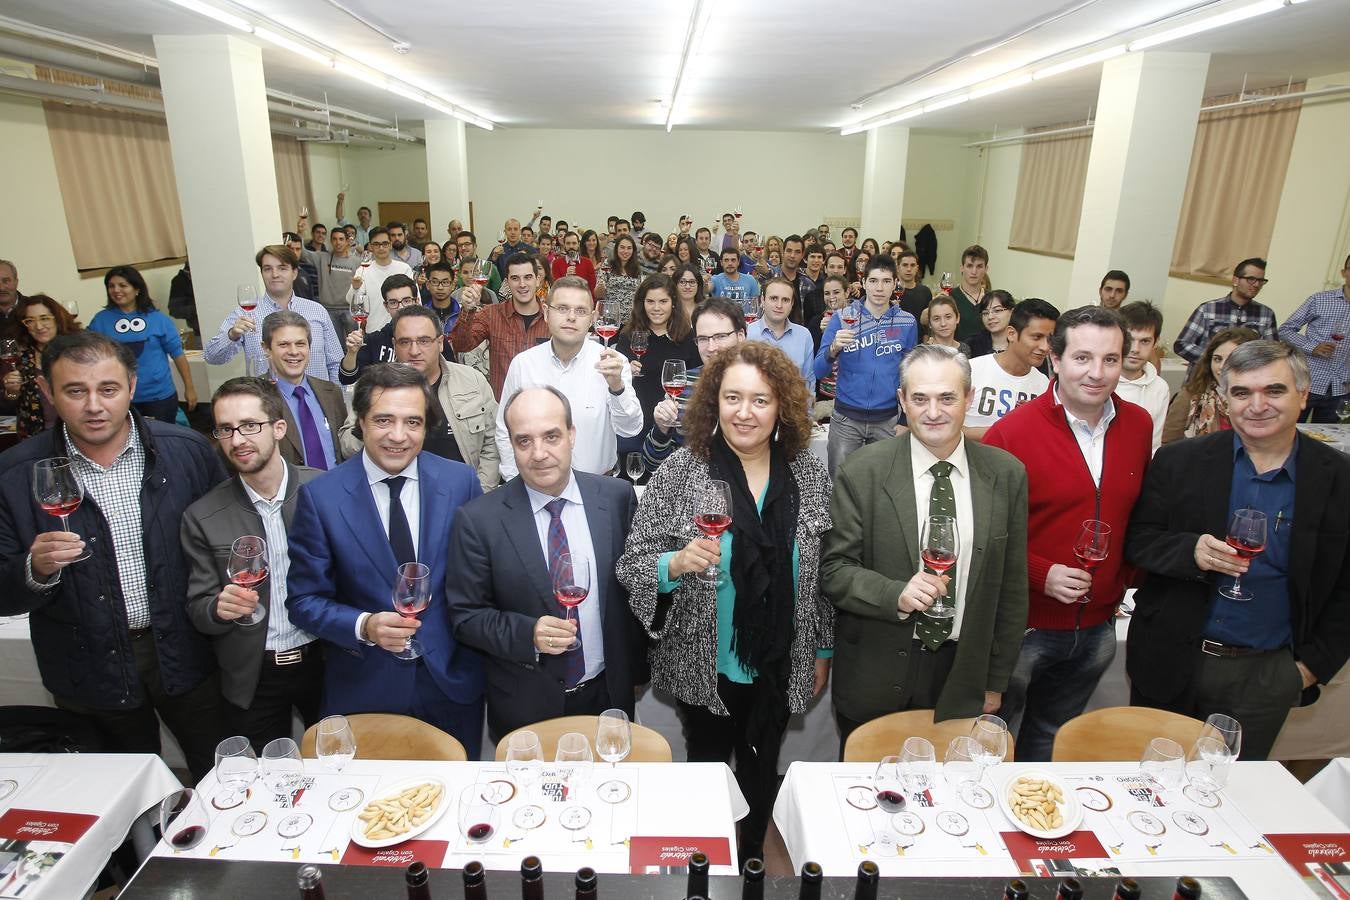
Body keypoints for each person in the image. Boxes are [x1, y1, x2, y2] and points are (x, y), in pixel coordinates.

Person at [616, 340, 833, 863]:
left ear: (782, 406)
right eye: (733, 397)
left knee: (761, 777)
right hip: (703, 666)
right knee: (708, 780)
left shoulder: (809, 475)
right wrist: (674, 564)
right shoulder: (681, 472)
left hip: (781, 662)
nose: (745, 412)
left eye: (761, 400)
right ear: (713, 402)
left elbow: (823, 574)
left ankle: (753, 862)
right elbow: (633, 563)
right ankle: (704, 871)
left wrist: (822, 651)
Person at [0, 332, 227, 779]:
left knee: (222, 775)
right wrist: (35, 569)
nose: (93, 406)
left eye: (108, 389)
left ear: (132, 385)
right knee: (119, 796)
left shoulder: (186, 451)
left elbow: (226, 539)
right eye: (74, 391)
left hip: (187, 652)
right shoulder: (15, 475)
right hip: (88, 666)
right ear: (47, 391)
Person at [1125, 340, 1350, 761]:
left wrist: (1307, 668)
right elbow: (1139, 540)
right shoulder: (1179, 461)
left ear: (1303, 395)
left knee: (1229, 790)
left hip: (1267, 672)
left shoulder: (1338, 479)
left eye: (1274, 391)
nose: (1257, 405)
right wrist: (1190, 551)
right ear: (1225, 401)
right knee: (1152, 783)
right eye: (1242, 392)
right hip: (1172, 656)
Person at [823, 345, 1028, 749]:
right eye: (920, 398)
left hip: (963, 673)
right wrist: (894, 592)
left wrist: (995, 679)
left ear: (968, 398)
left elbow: (1011, 588)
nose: (933, 412)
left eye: (947, 397)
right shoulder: (863, 471)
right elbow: (834, 570)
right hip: (876, 673)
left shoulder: (1006, 475)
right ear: (902, 400)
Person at [286, 363, 487, 757]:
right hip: (365, 688)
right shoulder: (321, 498)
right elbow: (303, 601)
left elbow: (483, 579)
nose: (398, 436)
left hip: (451, 685)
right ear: (359, 422)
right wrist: (365, 625)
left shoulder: (460, 482)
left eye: (412, 421)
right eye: (383, 420)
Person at [983, 306, 1151, 761]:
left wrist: (1121, 580)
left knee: (1051, 740)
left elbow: (1136, 516)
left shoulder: (1138, 425)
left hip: (1099, 628)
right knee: (997, 741)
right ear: (1054, 360)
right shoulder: (1011, 434)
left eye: (1110, 359)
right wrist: (1041, 572)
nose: (1097, 373)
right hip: (1027, 628)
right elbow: (983, 536)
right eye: (1082, 358)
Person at [446, 386, 641, 740]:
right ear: (510, 445)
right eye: (524, 441)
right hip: (527, 709)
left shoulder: (616, 499)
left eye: (551, 436)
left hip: (608, 699)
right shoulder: (479, 520)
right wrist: (528, 635)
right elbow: (465, 617)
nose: (539, 453)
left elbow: (634, 594)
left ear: (571, 434)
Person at [181, 377, 323, 752]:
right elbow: (198, 609)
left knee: (338, 767)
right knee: (266, 781)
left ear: (279, 428)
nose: (238, 439)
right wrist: (217, 607)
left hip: (327, 659)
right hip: (254, 673)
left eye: (249, 425)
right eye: (226, 429)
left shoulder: (325, 491)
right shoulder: (203, 515)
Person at [495, 277, 642, 480]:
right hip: (534, 488)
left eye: (580, 311)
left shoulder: (614, 364)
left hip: (596, 486)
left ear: (592, 319)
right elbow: (505, 429)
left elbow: (630, 429)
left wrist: (617, 387)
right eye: (562, 308)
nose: (571, 317)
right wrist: (515, 481)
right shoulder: (524, 364)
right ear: (546, 313)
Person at [341, 305, 498, 491]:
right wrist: (375, 425)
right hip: (395, 498)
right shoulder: (375, 386)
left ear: (440, 343)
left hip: (463, 498)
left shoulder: (472, 381)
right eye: (405, 342)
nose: (414, 351)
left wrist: (478, 493)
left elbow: (493, 441)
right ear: (394, 344)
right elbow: (346, 445)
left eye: (424, 341)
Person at [815, 255, 920, 475]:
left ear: (895, 283)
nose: (879, 288)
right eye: (873, 281)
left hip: (888, 421)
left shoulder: (907, 322)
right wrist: (833, 348)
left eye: (886, 281)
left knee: (883, 487)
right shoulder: (843, 318)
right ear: (863, 283)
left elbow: (911, 376)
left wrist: (905, 419)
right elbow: (818, 370)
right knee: (840, 484)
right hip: (846, 419)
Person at [206, 245, 345, 382]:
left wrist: (336, 401)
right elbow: (211, 357)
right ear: (262, 273)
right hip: (267, 400)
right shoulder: (244, 314)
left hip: (314, 400)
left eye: (282, 268)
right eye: (268, 269)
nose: (275, 274)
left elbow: (336, 363)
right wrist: (232, 335)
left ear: (294, 273)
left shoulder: (317, 311)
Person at [639, 298, 747, 469]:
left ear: (740, 336)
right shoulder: (682, 385)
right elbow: (653, 464)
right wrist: (662, 429)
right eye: (703, 339)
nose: (711, 347)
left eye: (720, 336)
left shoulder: (761, 386)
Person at [89, 265, 196, 423]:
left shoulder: (158, 319)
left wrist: (190, 387)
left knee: (161, 440)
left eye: (123, 285)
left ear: (137, 289)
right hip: (119, 397)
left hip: (159, 396)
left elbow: (177, 354)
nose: (116, 290)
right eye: (111, 286)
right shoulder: (101, 320)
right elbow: (89, 353)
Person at [449, 252, 551, 400]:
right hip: (503, 407)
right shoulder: (492, 314)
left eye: (528, 277)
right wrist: (467, 310)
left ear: (538, 280)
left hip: (543, 404)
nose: (522, 284)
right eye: (515, 278)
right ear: (507, 282)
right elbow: (460, 345)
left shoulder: (552, 318)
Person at [613, 275, 702, 444]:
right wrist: (626, 371)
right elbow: (616, 385)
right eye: (650, 302)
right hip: (635, 424)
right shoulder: (628, 335)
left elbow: (697, 380)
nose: (656, 308)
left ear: (673, 303)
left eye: (663, 301)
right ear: (642, 304)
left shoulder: (688, 337)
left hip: (674, 426)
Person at [260, 311, 347, 470]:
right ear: (266, 348)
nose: (294, 351)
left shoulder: (331, 392)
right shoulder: (256, 397)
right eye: (283, 344)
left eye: (300, 344)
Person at [963, 298, 1059, 441]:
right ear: (1011, 334)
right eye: (1036, 337)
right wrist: (1011, 426)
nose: (1045, 347)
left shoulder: (1044, 385)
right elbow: (947, 428)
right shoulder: (971, 371)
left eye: (1050, 339)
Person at [1276, 254, 1350, 422]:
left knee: (1326, 443)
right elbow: (1285, 330)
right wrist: (1312, 347)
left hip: (1341, 388)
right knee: (1289, 433)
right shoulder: (1320, 300)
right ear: (1344, 272)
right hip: (1308, 382)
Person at [1161, 327, 1261, 445]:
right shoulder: (1192, 394)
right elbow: (1168, 446)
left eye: (1231, 359)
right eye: (1217, 359)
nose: (1221, 367)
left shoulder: (1262, 400)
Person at [1173, 258, 1279, 368]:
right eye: (1251, 279)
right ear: (1235, 280)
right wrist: (1216, 359)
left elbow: (1272, 353)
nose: (1256, 284)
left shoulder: (1266, 314)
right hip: (1206, 379)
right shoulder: (1208, 309)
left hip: (1243, 378)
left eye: (1261, 280)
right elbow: (1181, 345)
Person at [2, 295, 80, 439]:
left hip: (78, 431)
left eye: (44, 318)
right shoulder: (18, 357)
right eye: (30, 321)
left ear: (57, 318)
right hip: (37, 438)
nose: (38, 326)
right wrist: (12, 392)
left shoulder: (79, 350)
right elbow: (8, 406)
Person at [339, 274, 417, 385]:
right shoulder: (374, 340)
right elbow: (346, 378)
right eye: (393, 302)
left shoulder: (431, 337)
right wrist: (351, 353)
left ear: (416, 301)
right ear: (386, 306)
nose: (401, 307)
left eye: (407, 301)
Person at [1116, 301, 1171, 454]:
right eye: (1130, 339)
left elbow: (1153, 444)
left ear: (1155, 342)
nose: (1135, 349)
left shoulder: (1160, 387)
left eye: (1145, 341)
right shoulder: (1099, 380)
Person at [294, 213, 362, 337]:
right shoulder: (322, 257)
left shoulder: (356, 261)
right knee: (337, 347)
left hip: (350, 310)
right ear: (330, 241)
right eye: (334, 239)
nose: (338, 242)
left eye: (341, 239)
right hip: (328, 309)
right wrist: (300, 232)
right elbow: (303, 253)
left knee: (354, 344)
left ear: (347, 241)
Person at [748, 277, 815, 400]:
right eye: (774, 298)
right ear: (762, 300)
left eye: (785, 300)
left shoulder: (804, 336)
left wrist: (808, 416)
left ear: (792, 304)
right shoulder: (746, 334)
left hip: (793, 413)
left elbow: (808, 381)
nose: (779, 305)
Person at [346, 227, 416, 334]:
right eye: (376, 244)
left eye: (385, 243)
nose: (381, 248)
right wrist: (355, 288)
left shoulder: (404, 268)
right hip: (374, 331)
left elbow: (416, 300)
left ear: (391, 244)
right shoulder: (363, 270)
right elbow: (352, 302)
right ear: (370, 246)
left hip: (404, 330)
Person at [948, 245, 989, 343]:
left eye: (979, 266)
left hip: (985, 354)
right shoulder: (950, 297)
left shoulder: (991, 299)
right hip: (958, 354)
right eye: (969, 266)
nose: (974, 272)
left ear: (986, 269)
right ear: (962, 268)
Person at [964, 290, 1015, 358]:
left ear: (1012, 312)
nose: (990, 317)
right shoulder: (971, 345)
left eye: (997, 310)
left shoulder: (1022, 343)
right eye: (985, 313)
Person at [454, 231, 503, 295]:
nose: (463, 248)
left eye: (467, 244)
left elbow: (499, 295)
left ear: (475, 246)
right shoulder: (456, 271)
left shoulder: (490, 268)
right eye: (460, 245)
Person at [551, 231, 597, 295]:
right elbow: (556, 288)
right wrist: (566, 277)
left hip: (583, 301)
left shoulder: (588, 263)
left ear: (578, 244)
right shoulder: (556, 263)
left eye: (574, 243)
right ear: (564, 245)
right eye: (568, 243)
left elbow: (592, 288)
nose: (571, 246)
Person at [895, 250, 933, 325]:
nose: (909, 269)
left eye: (912, 265)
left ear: (917, 268)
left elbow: (928, 322)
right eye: (905, 265)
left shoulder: (925, 291)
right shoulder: (891, 292)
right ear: (898, 268)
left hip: (919, 336)